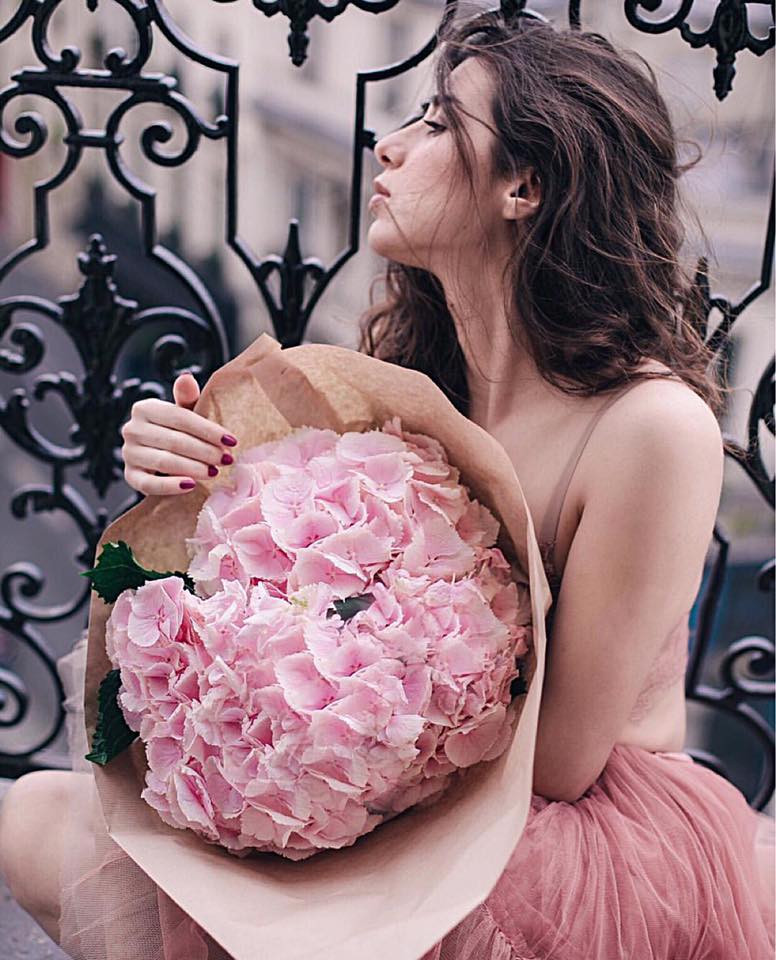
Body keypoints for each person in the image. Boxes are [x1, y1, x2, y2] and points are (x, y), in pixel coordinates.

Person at [0, 10, 773, 959]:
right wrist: (192, 486)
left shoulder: (649, 425)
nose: (391, 145)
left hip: (560, 838)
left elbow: (564, 762)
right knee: (32, 817)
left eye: (440, 123)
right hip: (402, 788)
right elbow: (290, 581)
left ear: (524, 185)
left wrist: (345, 717)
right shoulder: (421, 382)